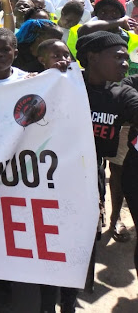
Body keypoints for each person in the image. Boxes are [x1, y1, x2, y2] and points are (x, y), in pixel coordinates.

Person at [75, 31, 138, 312]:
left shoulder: (121, 93)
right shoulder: (65, 82)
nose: (125, 63)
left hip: (93, 174)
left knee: (88, 230)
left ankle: (77, 285)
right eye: (119, 57)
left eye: (127, 58)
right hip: (55, 172)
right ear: (92, 57)